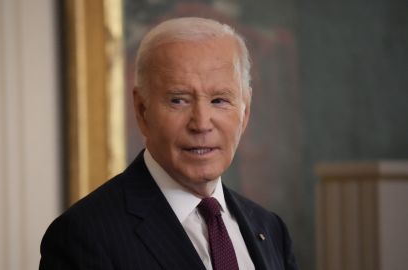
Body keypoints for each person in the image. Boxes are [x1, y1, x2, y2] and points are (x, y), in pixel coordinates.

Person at [39, 17, 298, 270]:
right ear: (142, 111)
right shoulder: (84, 236)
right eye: (179, 100)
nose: (201, 123)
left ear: (245, 112)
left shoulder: (270, 230)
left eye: (219, 100)